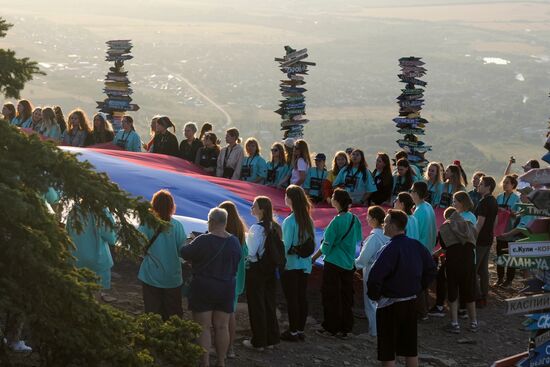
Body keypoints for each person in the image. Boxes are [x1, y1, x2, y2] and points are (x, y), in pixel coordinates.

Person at [367, 209, 436, 367]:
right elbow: (431, 269)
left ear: (392, 225)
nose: (383, 224)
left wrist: (375, 295)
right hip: (410, 302)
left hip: (389, 305)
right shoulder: (416, 245)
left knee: (388, 348)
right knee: (410, 347)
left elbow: (375, 277)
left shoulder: (389, 248)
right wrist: (418, 288)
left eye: (386, 221)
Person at [181, 207, 241, 367]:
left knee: (203, 327)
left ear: (212, 222)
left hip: (204, 287)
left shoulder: (203, 240)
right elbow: (236, 263)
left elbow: (184, 252)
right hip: (226, 288)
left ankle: (205, 362)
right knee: (222, 327)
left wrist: (188, 241)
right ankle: (221, 361)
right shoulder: (234, 242)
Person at [312, 188, 363, 338]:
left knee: (331, 296)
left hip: (333, 263)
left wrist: (314, 258)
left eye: (333, 196)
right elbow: (358, 237)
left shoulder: (336, 222)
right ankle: (346, 327)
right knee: (346, 297)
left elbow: (326, 247)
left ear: (337, 202)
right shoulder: (355, 219)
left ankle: (330, 327)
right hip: (348, 263)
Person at [138, 190, 186, 320]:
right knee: (173, 314)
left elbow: (138, 244)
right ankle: (173, 338)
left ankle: (153, 338)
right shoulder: (177, 226)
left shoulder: (147, 223)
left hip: (150, 274)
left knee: (152, 313)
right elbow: (183, 251)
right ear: (171, 206)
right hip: (172, 277)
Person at [429, 191, 477, 318]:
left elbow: (454, 242)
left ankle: (441, 307)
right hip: (467, 257)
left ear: (461, 203)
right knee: (463, 284)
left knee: (446, 281)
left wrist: (437, 253)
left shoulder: (463, 217)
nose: (453, 203)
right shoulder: (468, 216)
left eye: (455, 201)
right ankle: (462, 311)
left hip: (458, 258)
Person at [243, 196, 281, 350]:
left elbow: (251, 252)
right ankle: (271, 338)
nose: (252, 207)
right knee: (269, 304)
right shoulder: (275, 227)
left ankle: (258, 341)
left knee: (256, 305)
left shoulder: (257, 228)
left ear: (262, 209)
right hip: (271, 270)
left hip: (257, 270)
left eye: (254, 205)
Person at [280, 185, 315, 342]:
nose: (285, 198)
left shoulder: (289, 221)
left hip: (291, 264)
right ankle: (300, 329)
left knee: (292, 299)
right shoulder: (308, 219)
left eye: (286, 195)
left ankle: (292, 330)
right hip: (305, 265)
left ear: (291, 199)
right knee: (302, 298)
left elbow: (286, 246)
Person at [438, 206, 479, 334]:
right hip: (469, 263)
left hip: (453, 264)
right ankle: (473, 323)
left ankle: (454, 323)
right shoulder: (470, 226)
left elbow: (444, 248)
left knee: (453, 293)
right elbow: (474, 242)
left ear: (447, 218)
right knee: (469, 293)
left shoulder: (445, 228)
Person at [218, 201, 248, 359]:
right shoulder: (241, 234)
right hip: (237, 280)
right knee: (231, 316)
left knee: (220, 318)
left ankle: (219, 348)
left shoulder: (223, 235)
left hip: (223, 279)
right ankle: (230, 349)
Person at [355, 206, 389, 337]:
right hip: (385, 272)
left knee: (371, 302)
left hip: (372, 271)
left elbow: (363, 259)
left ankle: (374, 332)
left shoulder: (374, 237)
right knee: (382, 301)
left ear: (374, 219)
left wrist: (352, 265)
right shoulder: (386, 234)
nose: (367, 219)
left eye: (368, 216)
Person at [66, 206, 116, 292]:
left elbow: (67, 233)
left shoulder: (74, 210)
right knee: (95, 294)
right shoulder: (102, 212)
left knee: (78, 293)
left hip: (75, 259)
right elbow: (112, 238)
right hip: (97, 263)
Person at [474, 176, 498, 308]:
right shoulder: (493, 201)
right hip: (488, 238)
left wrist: (472, 237)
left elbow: (479, 224)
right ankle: (484, 295)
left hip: (480, 240)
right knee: (483, 270)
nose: (479, 185)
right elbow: (495, 221)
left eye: (482, 184)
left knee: (473, 270)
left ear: (488, 187)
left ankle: (478, 297)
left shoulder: (484, 202)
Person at [494, 174, 521, 287]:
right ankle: (500, 278)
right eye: (504, 182)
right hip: (500, 230)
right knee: (500, 254)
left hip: (511, 231)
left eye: (507, 183)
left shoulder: (516, 198)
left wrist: (510, 213)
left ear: (513, 185)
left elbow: (518, 215)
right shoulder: (499, 197)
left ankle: (509, 280)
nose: (505, 184)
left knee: (511, 256)